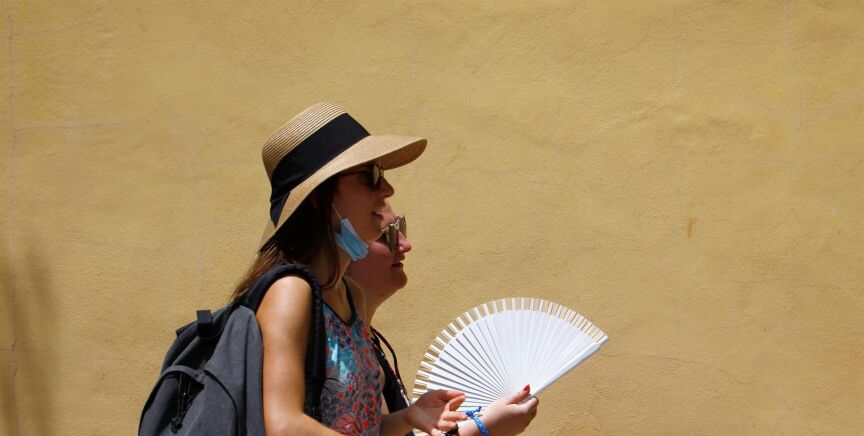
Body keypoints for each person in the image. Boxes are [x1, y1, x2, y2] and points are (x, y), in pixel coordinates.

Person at [230, 102, 467, 435]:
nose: (387, 189)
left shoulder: (350, 294)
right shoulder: (290, 291)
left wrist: (407, 417)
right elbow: (284, 426)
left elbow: (358, 425)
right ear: (319, 197)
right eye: (371, 175)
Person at [347, 205, 540, 436]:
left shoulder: (365, 339)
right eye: (385, 234)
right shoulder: (341, 354)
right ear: (343, 250)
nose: (405, 244)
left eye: (400, 227)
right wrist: (482, 429)